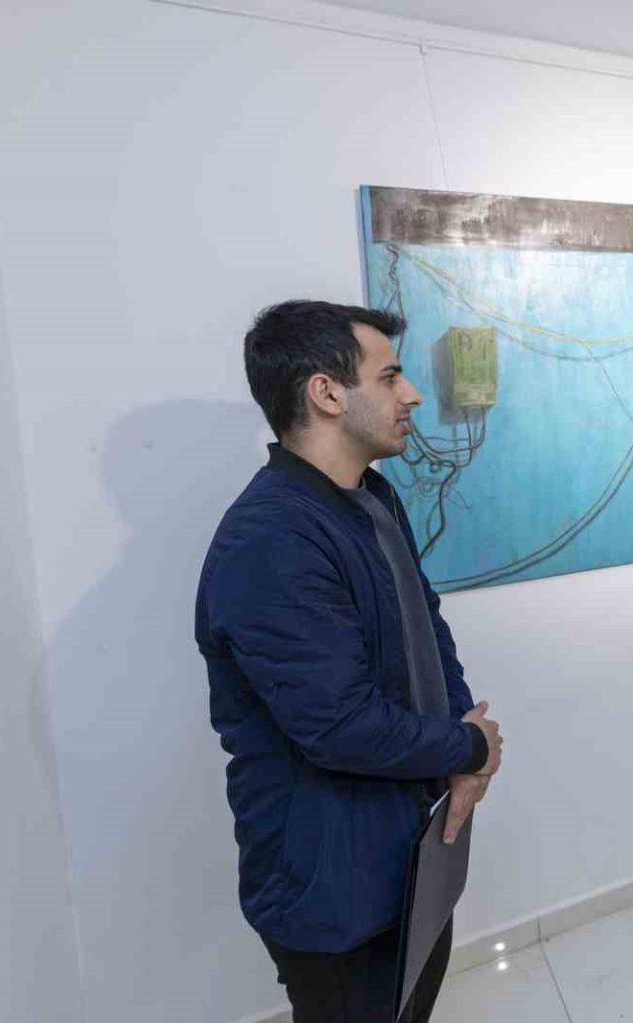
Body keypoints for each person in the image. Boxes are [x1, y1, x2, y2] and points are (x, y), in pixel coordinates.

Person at [195, 301, 504, 1023]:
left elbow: (426, 622)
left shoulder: (371, 497)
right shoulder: (270, 538)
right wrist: (469, 745)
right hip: (334, 887)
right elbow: (340, 725)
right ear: (326, 393)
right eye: (390, 376)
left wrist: (462, 744)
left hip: (411, 850)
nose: (412, 394)